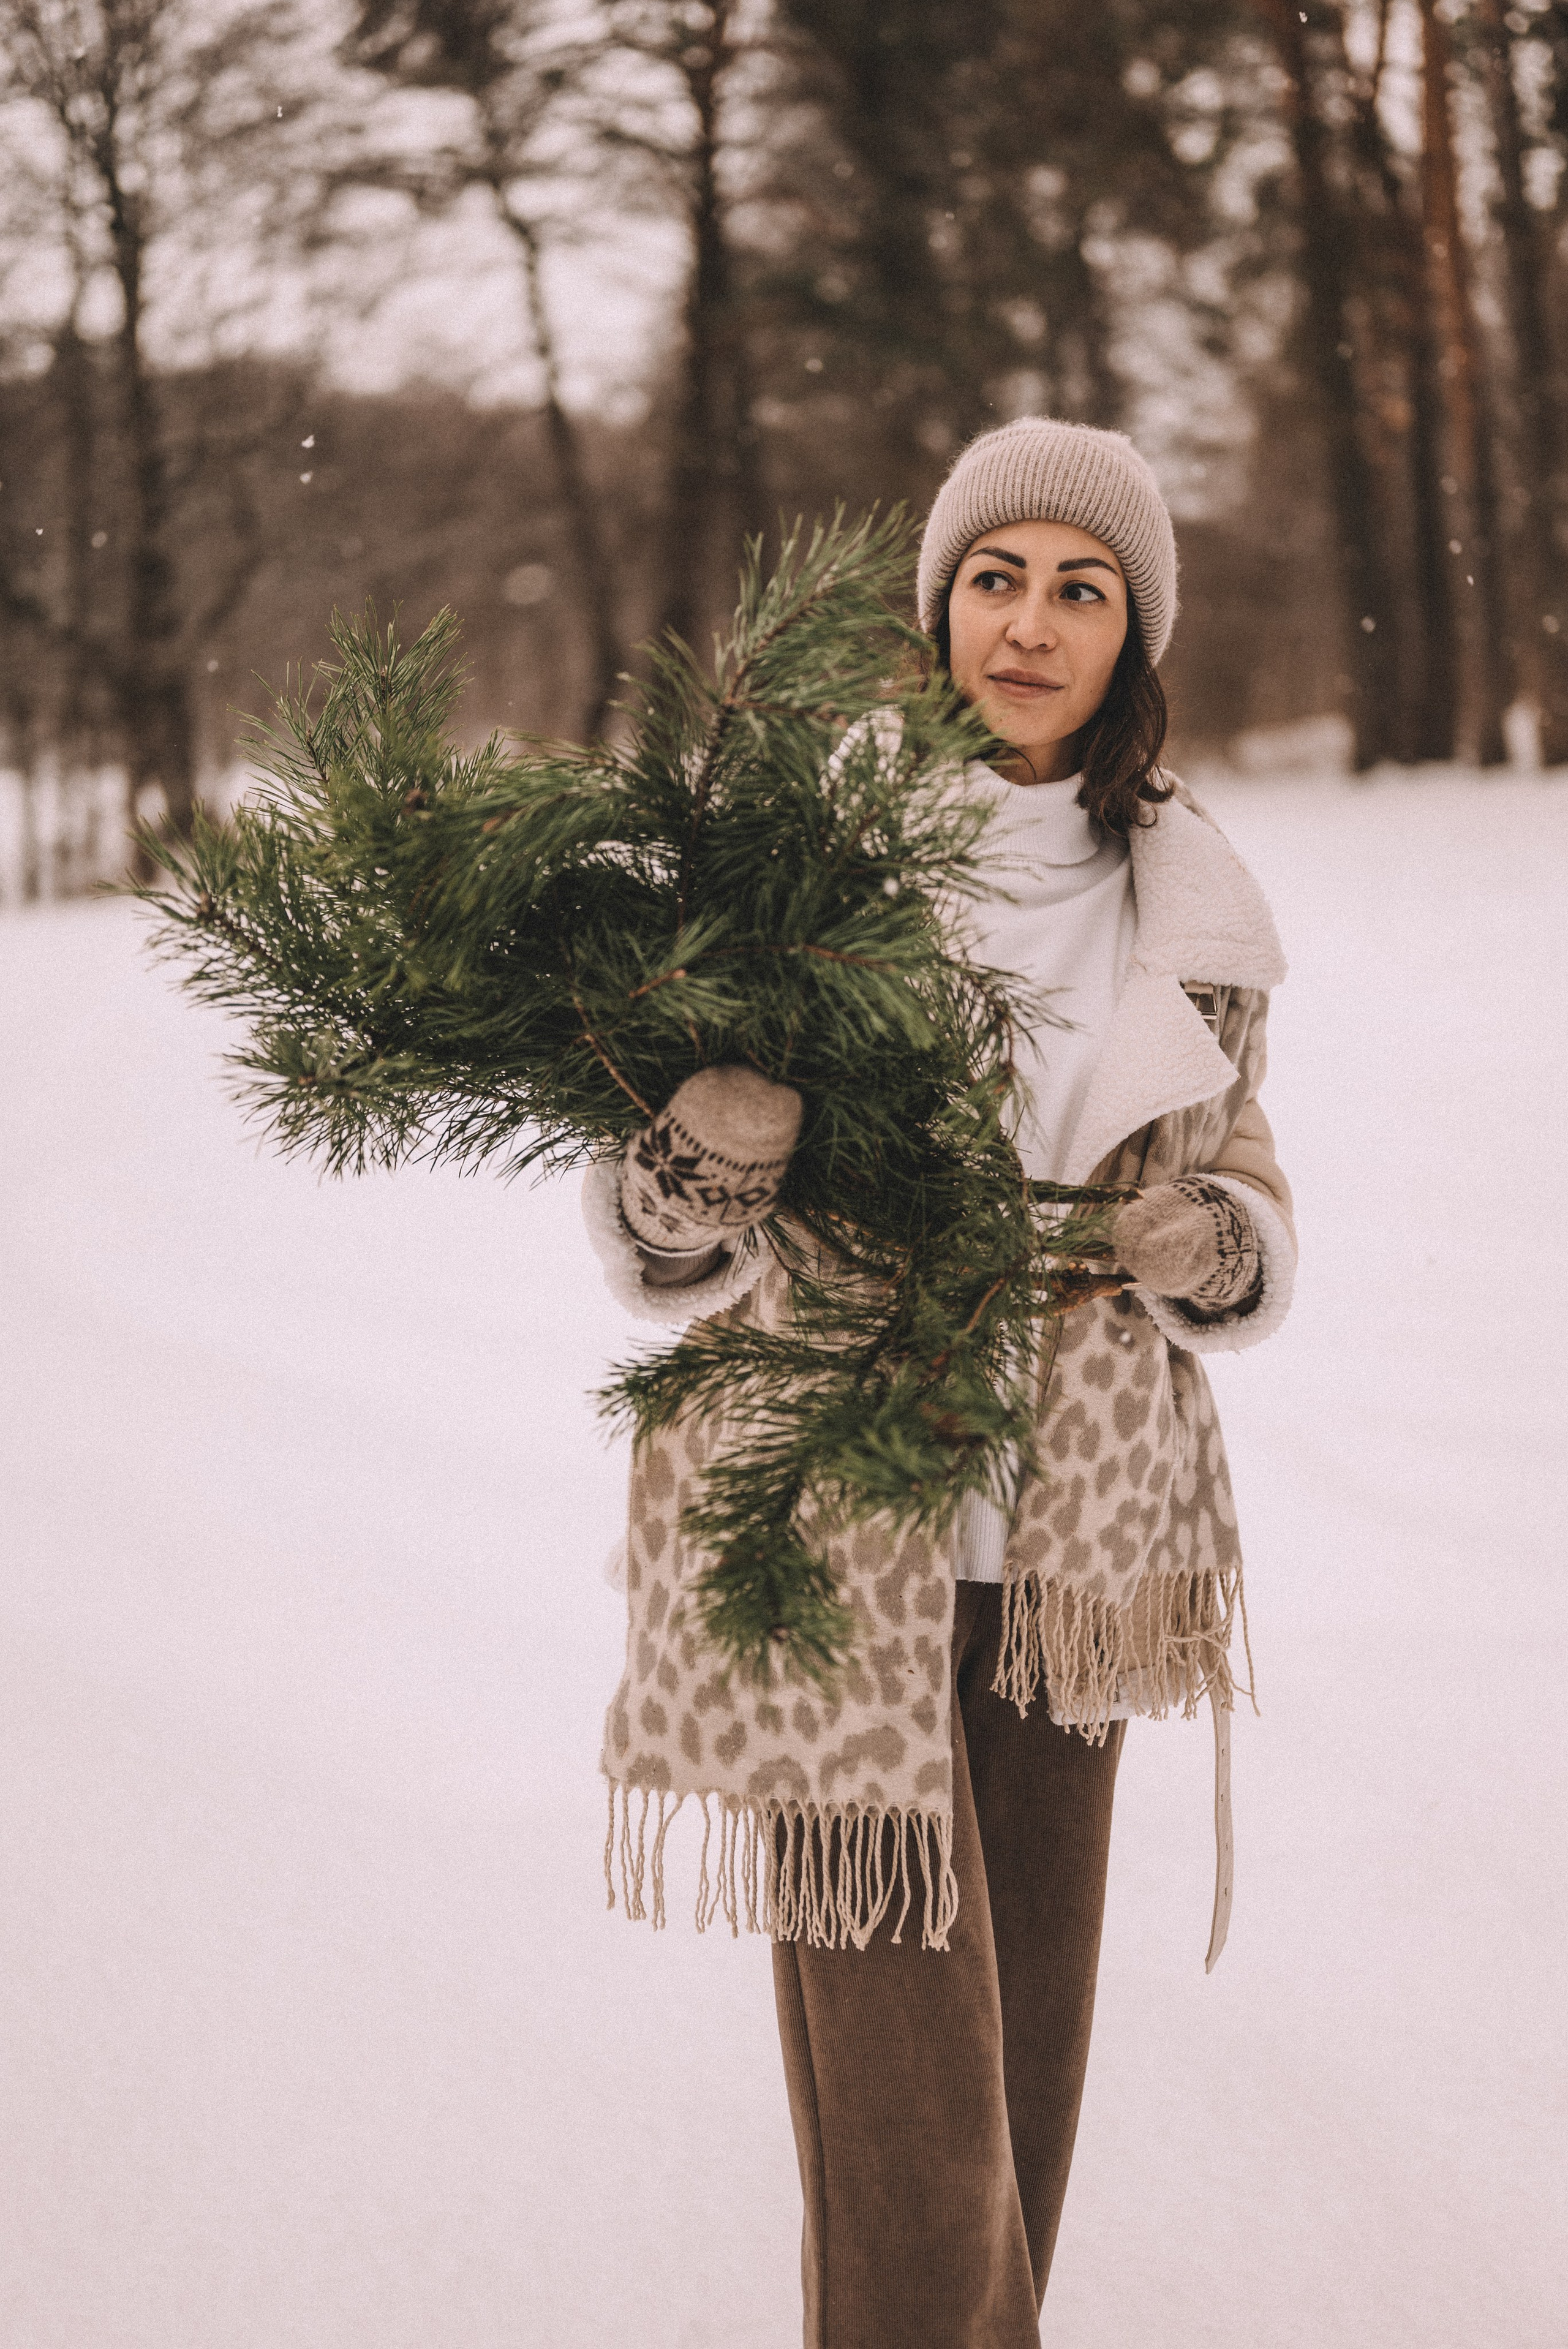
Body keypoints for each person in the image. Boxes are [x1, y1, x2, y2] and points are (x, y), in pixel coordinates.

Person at [583, 416, 1295, 2349]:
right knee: (918, 2119)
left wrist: (1214, 1246)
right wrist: (704, 1153)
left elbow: (1247, 1186)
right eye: (998, 578)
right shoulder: (810, 875)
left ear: (1134, 633)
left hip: (1080, 1535)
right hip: (833, 1514)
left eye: (1083, 588)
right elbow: (658, 1242)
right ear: (939, 608)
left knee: (1020, 2064)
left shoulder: (1195, 900)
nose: (1033, 622)